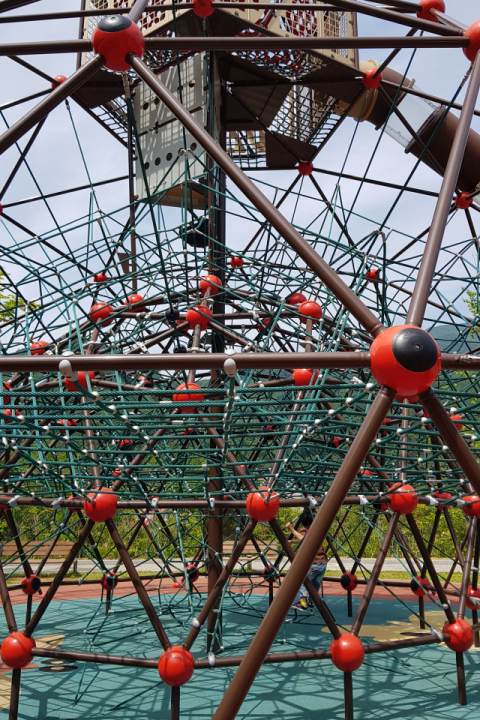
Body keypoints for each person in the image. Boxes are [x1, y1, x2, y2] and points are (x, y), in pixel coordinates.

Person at [285, 509, 328, 611]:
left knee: (300, 580)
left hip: (313, 563)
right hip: (323, 563)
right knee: (315, 584)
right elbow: (306, 540)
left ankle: (303, 603)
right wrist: (292, 541)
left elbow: (303, 539)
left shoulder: (305, 529)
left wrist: (291, 528)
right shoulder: (317, 529)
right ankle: (311, 601)